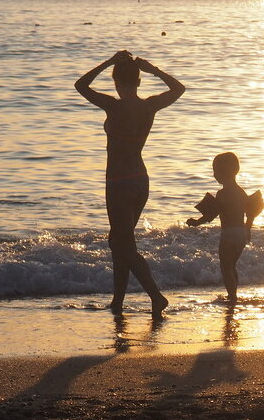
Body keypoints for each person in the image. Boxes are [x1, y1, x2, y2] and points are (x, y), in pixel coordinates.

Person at [76, 50, 184, 318]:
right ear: (138, 82)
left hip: (118, 182)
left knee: (122, 243)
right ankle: (118, 301)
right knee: (119, 240)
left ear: (116, 82)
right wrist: (154, 70)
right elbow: (179, 88)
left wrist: (109, 62)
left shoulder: (113, 106)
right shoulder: (148, 106)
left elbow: (80, 85)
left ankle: (156, 297)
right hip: (140, 180)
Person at [186, 152, 264, 303]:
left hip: (228, 234)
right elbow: (251, 211)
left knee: (225, 266)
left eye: (215, 171)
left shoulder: (222, 193)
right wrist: (248, 229)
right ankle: (233, 293)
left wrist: (196, 222)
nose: (214, 175)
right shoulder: (241, 192)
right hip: (241, 233)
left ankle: (232, 297)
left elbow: (211, 214)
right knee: (232, 266)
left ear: (222, 173)